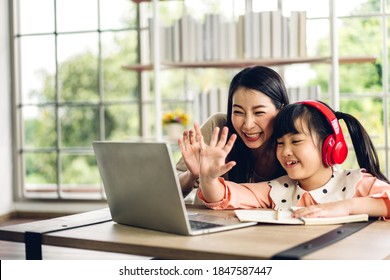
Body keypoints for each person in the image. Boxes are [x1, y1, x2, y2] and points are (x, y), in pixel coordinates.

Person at [196, 100, 390, 219]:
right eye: (280, 143)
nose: (285, 151)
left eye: (296, 141)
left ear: (330, 145)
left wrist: (346, 206)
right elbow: (223, 195)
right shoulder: (277, 189)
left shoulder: (355, 183)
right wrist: (208, 179)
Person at [177, 65, 289, 198]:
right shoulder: (219, 128)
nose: (247, 125)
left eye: (259, 112)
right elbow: (168, 191)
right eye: (238, 112)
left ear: (281, 110)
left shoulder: (295, 139)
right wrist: (192, 174)